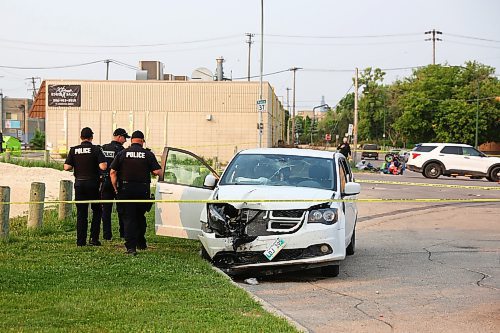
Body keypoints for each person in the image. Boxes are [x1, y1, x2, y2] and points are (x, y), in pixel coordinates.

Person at [110, 130, 161, 256]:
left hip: (126, 190)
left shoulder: (122, 153)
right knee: (140, 216)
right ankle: (141, 242)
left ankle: (131, 247)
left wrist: (115, 188)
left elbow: (112, 172)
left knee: (128, 218)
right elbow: (157, 171)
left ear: (132, 140)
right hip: (142, 190)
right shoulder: (148, 154)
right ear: (142, 141)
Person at [64, 127, 107, 246]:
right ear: (91, 137)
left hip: (79, 184)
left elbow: (66, 167)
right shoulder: (96, 149)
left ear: (81, 137)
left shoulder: (74, 150)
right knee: (97, 211)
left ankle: (80, 241)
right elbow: (103, 166)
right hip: (93, 184)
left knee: (81, 213)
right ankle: (94, 238)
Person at [100, 128, 130, 240]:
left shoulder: (103, 148)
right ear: (118, 136)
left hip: (105, 182)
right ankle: (123, 233)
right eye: (124, 137)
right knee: (121, 209)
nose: (125, 140)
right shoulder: (122, 151)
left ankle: (107, 235)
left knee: (106, 211)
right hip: (118, 183)